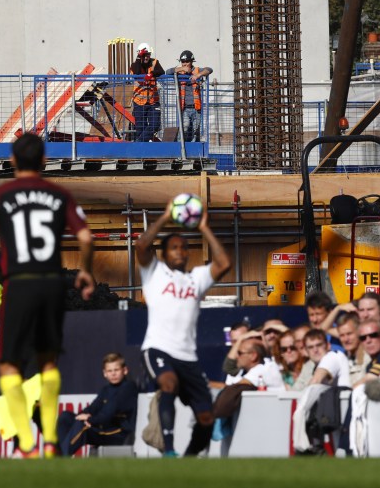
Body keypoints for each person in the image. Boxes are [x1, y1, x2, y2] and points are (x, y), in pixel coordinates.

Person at [0, 132, 95, 459]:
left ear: (13, 161)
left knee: (9, 366)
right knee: (48, 362)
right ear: (44, 160)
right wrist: (85, 270)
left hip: (19, 283)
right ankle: (49, 442)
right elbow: (86, 237)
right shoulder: (59, 194)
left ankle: (27, 445)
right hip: (52, 282)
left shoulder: (1, 195)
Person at [136, 198, 231, 458]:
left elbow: (224, 264)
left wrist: (204, 228)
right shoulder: (153, 273)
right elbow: (142, 244)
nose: (180, 251)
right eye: (174, 248)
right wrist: (166, 217)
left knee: (206, 417)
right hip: (158, 347)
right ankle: (168, 450)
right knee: (168, 384)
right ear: (165, 254)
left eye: (184, 248)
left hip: (188, 356)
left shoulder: (196, 278)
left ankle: (188, 459)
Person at [57, 352, 138, 457]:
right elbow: (93, 407)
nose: (113, 374)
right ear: (105, 373)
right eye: (110, 371)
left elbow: (109, 412)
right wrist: (81, 416)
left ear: (125, 370)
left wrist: (90, 420)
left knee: (83, 426)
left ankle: (61, 458)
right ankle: (59, 453)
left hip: (118, 433)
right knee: (66, 417)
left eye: (116, 370)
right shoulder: (106, 389)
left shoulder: (128, 387)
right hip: (102, 429)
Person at [165, 50, 212, 142]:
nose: (185, 64)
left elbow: (209, 69)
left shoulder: (197, 70)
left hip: (197, 108)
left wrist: (198, 75)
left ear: (191, 62)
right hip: (185, 108)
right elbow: (167, 72)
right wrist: (180, 69)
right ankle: (181, 148)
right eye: (183, 62)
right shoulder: (179, 72)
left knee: (196, 130)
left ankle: (194, 150)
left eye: (187, 61)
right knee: (185, 128)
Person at [130, 44, 164, 142]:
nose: (146, 57)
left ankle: (138, 143)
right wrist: (138, 59)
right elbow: (136, 74)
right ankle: (141, 151)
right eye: (144, 55)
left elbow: (161, 71)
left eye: (148, 54)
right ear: (139, 55)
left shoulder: (154, 62)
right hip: (139, 102)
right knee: (140, 128)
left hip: (153, 101)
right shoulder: (135, 65)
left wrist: (151, 74)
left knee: (155, 124)